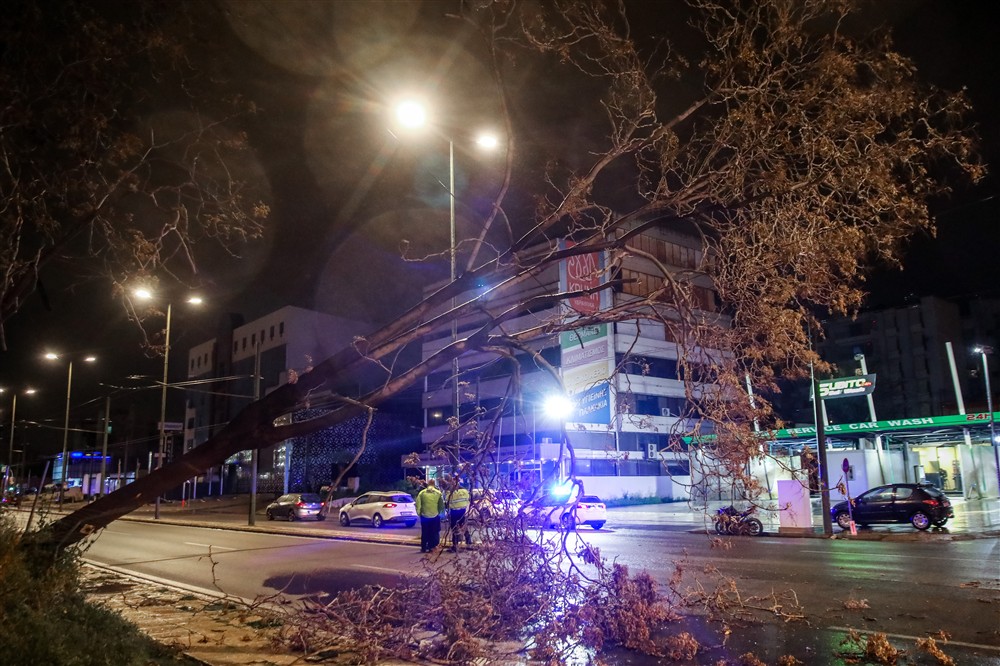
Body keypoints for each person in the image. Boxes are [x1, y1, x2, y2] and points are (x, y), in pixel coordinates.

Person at [415, 479, 444, 553]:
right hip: (435, 516)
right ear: (434, 484)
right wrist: (441, 514)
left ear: (428, 484)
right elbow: (441, 505)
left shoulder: (422, 493)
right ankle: (433, 547)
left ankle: (424, 548)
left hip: (424, 516)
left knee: (424, 532)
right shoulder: (438, 493)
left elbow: (418, 504)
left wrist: (419, 513)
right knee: (435, 532)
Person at [446, 478, 472, 552]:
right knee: (463, 526)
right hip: (462, 511)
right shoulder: (465, 491)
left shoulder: (450, 493)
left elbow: (447, 501)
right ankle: (468, 540)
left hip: (454, 512)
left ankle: (455, 545)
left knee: (454, 529)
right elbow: (468, 499)